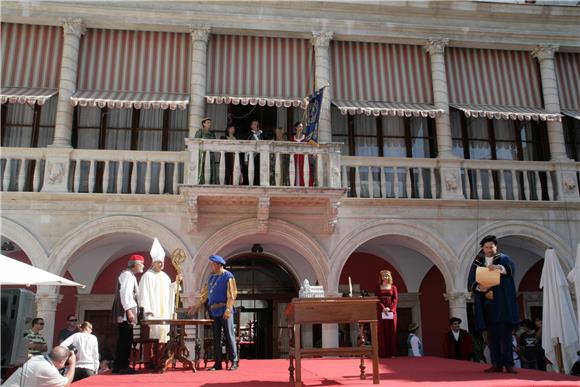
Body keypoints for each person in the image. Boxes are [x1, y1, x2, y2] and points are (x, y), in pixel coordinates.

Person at [468, 235, 519, 374]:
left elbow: (510, 270)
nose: (489, 249)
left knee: (505, 336)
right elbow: (471, 281)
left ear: (496, 247)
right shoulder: (478, 262)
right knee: (492, 337)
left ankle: (508, 364)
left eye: (491, 247)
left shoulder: (503, 258)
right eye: (486, 247)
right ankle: (496, 363)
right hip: (487, 305)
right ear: (482, 248)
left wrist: (498, 268)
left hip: (501, 305)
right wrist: (479, 288)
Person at [190, 255, 239, 371]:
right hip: (214, 311)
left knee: (229, 336)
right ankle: (218, 363)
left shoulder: (228, 276)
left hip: (224, 310)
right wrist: (196, 306)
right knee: (216, 337)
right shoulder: (211, 278)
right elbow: (205, 295)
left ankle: (234, 361)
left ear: (219, 264)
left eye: (213, 264)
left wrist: (228, 309)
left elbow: (232, 294)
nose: (211, 266)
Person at [138, 238, 181, 345]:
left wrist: (176, 283)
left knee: (163, 339)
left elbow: (170, 291)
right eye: (159, 262)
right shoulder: (147, 276)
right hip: (153, 313)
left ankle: (161, 359)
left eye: (162, 262)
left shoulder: (165, 276)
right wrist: (147, 311)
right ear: (153, 262)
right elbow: (144, 294)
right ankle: (152, 360)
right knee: (153, 339)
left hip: (164, 314)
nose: (162, 264)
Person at [111, 254, 144, 374]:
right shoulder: (127, 275)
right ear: (135, 264)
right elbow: (125, 294)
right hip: (125, 312)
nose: (143, 266)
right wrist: (129, 311)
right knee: (125, 339)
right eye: (141, 264)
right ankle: (123, 366)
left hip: (126, 311)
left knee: (124, 339)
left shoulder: (129, 275)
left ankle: (118, 365)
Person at [3, 345, 76, 387]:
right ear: (62, 361)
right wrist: (73, 363)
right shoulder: (49, 370)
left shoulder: (37, 358)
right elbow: (66, 384)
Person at [375, 269, 397, 358]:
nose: (385, 277)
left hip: (392, 312)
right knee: (382, 332)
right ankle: (383, 353)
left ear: (389, 277)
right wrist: (383, 308)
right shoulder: (378, 287)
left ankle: (392, 353)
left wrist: (390, 308)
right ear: (381, 277)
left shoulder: (393, 287)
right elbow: (377, 299)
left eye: (387, 275)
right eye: (384, 275)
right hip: (382, 311)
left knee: (392, 332)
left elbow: (395, 300)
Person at [194, 117, 218, 184]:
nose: (209, 124)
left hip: (211, 154)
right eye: (208, 123)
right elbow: (195, 142)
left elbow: (215, 143)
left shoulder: (212, 133)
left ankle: (211, 183)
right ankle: (201, 182)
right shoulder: (200, 132)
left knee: (211, 169)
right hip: (202, 155)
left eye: (210, 123)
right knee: (203, 168)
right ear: (203, 124)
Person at [292, 122, 314, 187]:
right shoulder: (293, 138)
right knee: (295, 172)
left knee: (305, 171)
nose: (301, 128)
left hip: (304, 158)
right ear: (296, 128)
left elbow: (311, 144)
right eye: (299, 126)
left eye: (302, 127)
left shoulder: (305, 137)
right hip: (295, 158)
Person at [244, 120, 265, 185]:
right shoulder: (249, 135)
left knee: (258, 172)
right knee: (250, 172)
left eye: (256, 124)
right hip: (251, 156)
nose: (255, 125)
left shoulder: (261, 134)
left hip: (259, 156)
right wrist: (246, 159)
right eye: (254, 124)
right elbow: (245, 147)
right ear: (251, 126)